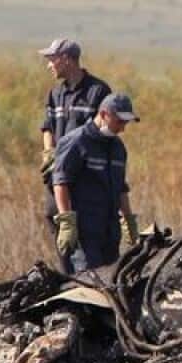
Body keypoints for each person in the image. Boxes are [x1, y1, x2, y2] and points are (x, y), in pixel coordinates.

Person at [51, 93, 140, 274]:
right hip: (85, 231)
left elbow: (121, 187)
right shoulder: (77, 142)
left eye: (126, 123)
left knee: (112, 279)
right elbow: (61, 182)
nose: (122, 128)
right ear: (104, 114)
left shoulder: (118, 148)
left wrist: (128, 220)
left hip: (109, 230)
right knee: (90, 283)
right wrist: (67, 220)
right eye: (119, 122)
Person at [38, 38, 113, 229]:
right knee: (54, 217)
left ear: (66, 59)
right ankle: (66, 260)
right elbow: (47, 127)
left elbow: (106, 132)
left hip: (86, 175)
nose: (49, 66)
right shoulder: (55, 94)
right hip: (60, 174)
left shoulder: (98, 91)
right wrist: (49, 153)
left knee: (84, 227)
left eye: (52, 59)